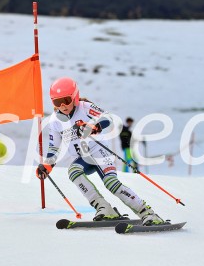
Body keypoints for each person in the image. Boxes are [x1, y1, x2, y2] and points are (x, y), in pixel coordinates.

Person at [36, 77, 166, 224]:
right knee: (73, 171)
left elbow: (107, 118)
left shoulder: (84, 107)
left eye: (66, 100)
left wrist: (94, 126)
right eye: (57, 102)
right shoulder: (55, 121)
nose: (63, 105)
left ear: (75, 97)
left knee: (111, 183)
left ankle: (147, 213)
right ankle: (104, 208)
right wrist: (47, 165)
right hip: (83, 158)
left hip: (99, 152)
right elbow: (54, 147)